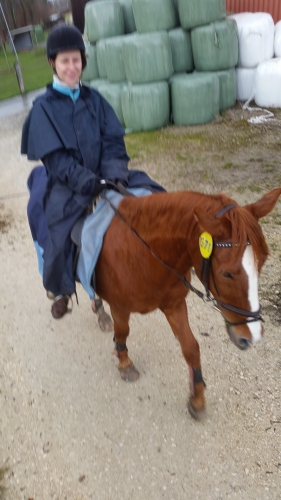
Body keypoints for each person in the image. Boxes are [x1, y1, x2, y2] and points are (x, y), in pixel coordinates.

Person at [21, 23, 164, 320]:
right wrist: (88, 181)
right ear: (53, 63)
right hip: (69, 184)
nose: (72, 67)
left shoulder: (95, 99)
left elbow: (113, 141)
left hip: (106, 176)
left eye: (76, 60)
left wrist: (113, 174)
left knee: (153, 194)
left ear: (83, 61)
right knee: (59, 235)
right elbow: (56, 160)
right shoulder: (42, 109)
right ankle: (61, 288)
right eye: (65, 61)